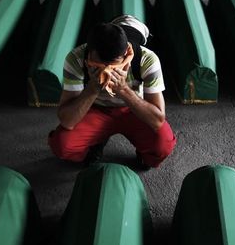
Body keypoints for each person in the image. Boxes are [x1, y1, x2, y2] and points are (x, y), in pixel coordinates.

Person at [48, 15, 176, 168]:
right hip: (94, 110)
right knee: (62, 144)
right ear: (89, 53)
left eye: (114, 66)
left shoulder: (147, 60)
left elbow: (157, 120)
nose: (107, 71)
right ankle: (92, 147)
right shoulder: (76, 58)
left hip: (133, 110)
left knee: (162, 144)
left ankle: (144, 154)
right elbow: (67, 121)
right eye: (99, 65)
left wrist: (123, 90)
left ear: (126, 53)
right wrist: (93, 88)